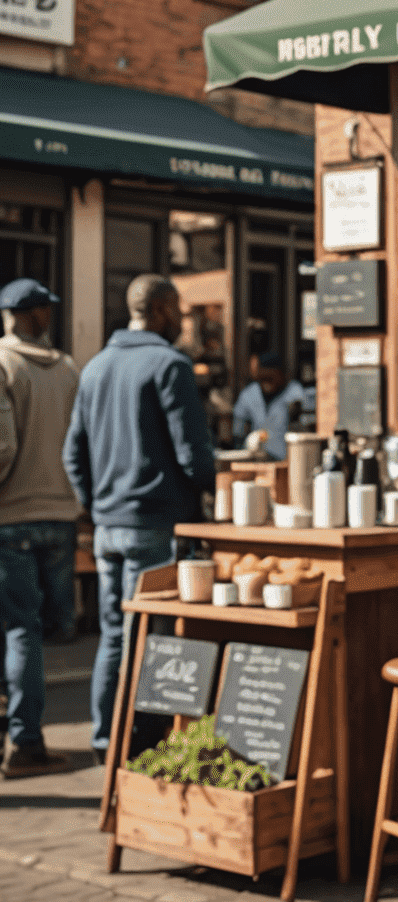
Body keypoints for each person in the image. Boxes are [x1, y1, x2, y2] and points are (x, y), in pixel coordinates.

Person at [64, 275, 217, 761]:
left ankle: (105, 739)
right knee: (148, 635)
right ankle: (140, 743)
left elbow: (73, 454)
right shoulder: (170, 365)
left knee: (114, 632)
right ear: (162, 309)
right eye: (178, 310)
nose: (181, 320)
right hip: (154, 522)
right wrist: (211, 488)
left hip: (109, 525)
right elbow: (194, 455)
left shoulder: (95, 368)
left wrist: (96, 505)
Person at [0, 278, 80, 777]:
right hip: (60, 514)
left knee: (17, 631)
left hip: (11, 517)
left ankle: (25, 742)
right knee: (39, 630)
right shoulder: (69, 370)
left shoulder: (3, 364)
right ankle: (26, 737)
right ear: (39, 315)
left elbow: (2, 449)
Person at [231, 351, 307, 459]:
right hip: (257, 457)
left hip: (287, 458)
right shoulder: (249, 394)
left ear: (281, 374)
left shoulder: (295, 392)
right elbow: (238, 428)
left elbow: (305, 427)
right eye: (263, 378)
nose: (266, 382)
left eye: (270, 377)